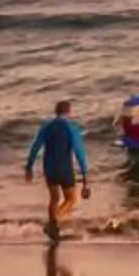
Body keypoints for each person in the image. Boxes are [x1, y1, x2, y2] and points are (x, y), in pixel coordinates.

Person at [24, 100, 92, 241]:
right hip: (65, 168)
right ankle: (53, 223)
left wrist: (29, 167)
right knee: (71, 199)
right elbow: (79, 153)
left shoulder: (46, 126)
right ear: (69, 112)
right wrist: (85, 177)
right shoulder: (71, 127)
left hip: (49, 169)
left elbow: (35, 147)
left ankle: (53, 231)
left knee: (54, 199)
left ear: (56, 111)